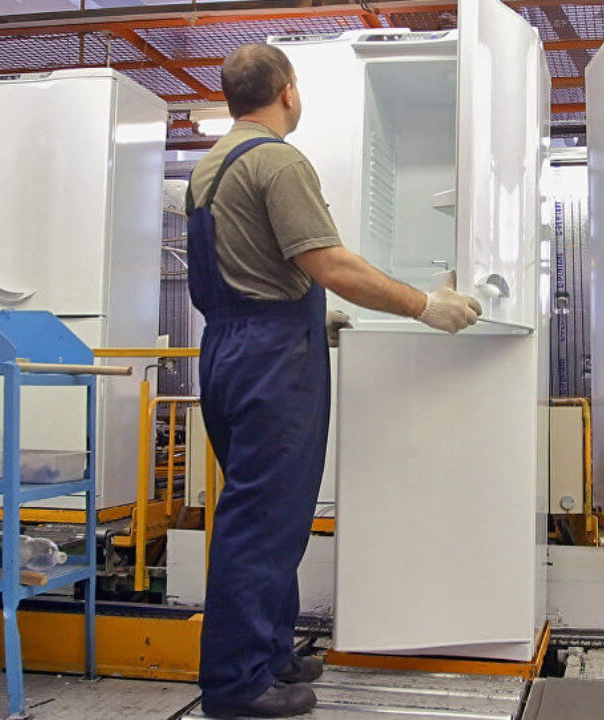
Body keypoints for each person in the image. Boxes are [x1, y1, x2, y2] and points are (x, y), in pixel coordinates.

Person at [186, 44, 483, 719]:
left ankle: (270, 654)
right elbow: (331, 264)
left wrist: (306, 316)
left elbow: (247, 268)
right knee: (263, 522)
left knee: (268, 515)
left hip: (229, 348)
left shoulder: (209, 165)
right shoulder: (279, 161)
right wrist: (425, 305)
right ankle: (236, 684)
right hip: (271, 361)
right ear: (287, 91)